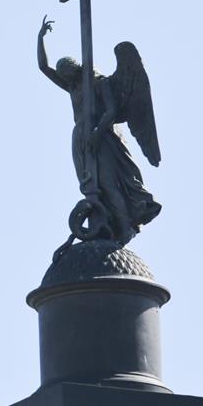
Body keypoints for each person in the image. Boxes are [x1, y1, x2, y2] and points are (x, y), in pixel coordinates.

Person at [37, 16, 161, 245]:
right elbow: (44, 68)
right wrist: (40, 38)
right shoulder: (72, 87)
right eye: (64, 76)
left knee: (108, 182)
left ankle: (125, 227)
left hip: (103, 136)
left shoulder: (99, 83)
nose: (65, 78)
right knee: (90, 183)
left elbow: (112, 111)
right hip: (81, 138)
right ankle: (101, 220)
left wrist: (96, 132)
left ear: (76, 69)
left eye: (68, 74)